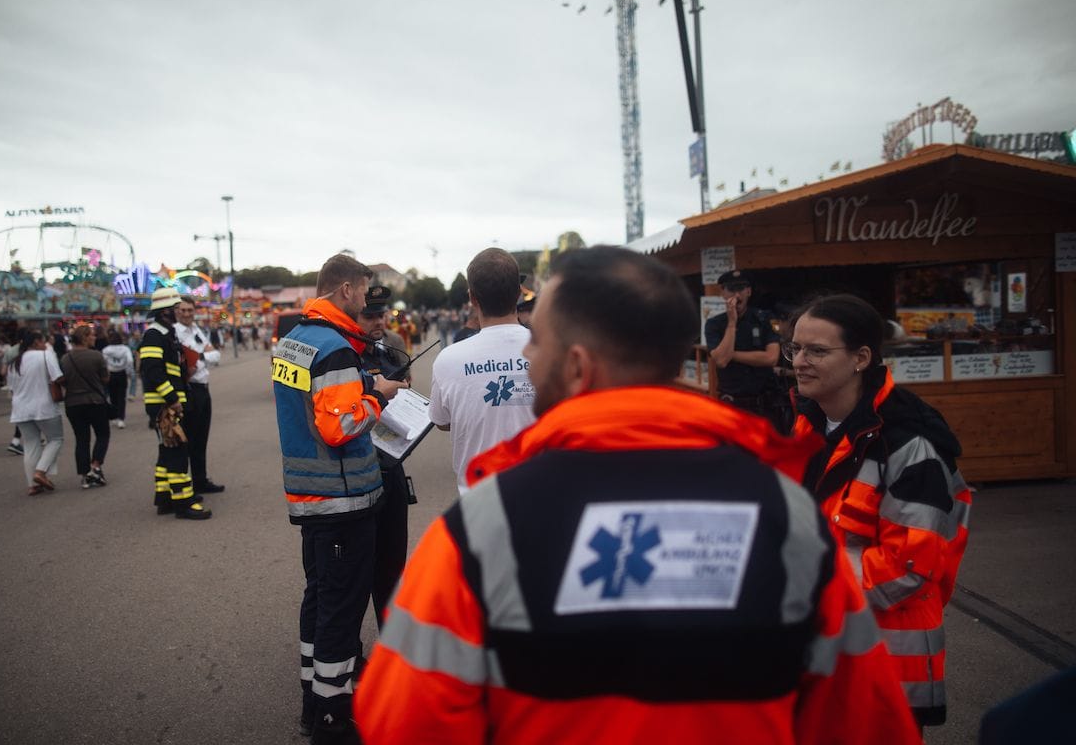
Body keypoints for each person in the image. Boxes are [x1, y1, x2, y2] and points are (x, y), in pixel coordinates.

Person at [355, 246, 921, 745]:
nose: (527, 357)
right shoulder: (790, 515)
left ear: (576, 366)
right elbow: (864, 722)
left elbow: (403, 723)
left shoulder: (483, 528)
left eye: (539, 345)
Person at [788, 293, 971, 730]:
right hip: (824, 652)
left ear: (861, 358)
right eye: (795, 348)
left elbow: (906, 567)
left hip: (887, 663)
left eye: (817, 350)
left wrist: (795, 585)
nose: (799, 362)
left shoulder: (910, 444)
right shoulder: (807, 425)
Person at [271, 254, 406, 744]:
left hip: (311, 498)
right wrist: (377, 398)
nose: (366, 302)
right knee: (341, 612)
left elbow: (318, 398)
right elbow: (340, 423)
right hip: (343, 500)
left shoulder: (295, 342)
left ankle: (312, 696)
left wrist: (365, 383)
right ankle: (332, 718)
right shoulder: (334, 348)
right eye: (363, 292)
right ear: (346, 289)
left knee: (319, 600)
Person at [429, 248, 535, 495]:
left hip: (478, 502)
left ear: (472, 298)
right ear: (518, 294)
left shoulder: (448, 359)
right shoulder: (552, 350)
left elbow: (442, 421)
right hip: (541, 494)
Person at [357, 285, 412, 627]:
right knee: (359, 568)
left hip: (392, 464)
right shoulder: (344, 353)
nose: (379, 321)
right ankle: (348, 651)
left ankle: (391, 645)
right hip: (360, 467)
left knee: (393, 563)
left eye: (382, 314)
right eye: (371, 315)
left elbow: (409, 389)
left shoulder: (392, 346)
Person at [141, 287, 211, 520]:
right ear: (164, 312)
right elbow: (152, 371)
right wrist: (172, 399)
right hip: (164, 405)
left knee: (167, 451)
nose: (177, 312)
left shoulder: (164, 333)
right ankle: (183, 502)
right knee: (178, 452)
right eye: (173, 308)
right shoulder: (154, 335)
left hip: (167, 403)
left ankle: (165, 499)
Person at [705, 269, 783, 428]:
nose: (736, 295)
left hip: (764, 405)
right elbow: (720, 361)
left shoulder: (764, 318)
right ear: (723, 293)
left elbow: (771, 358)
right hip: (731, 404)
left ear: (748, 291)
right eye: (731, 290)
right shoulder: (714, 324)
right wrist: (732, 323)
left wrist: (730, 354)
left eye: (740, 289)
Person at [174, 298, 225, 495]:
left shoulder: (196, 330)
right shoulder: (176, 332)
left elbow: (215, 356)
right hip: (189, 389)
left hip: (203, 388)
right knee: (190, 439)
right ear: (177, 311)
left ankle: (200, 480)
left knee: (202, 437)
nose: (187, 313)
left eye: (190, 310)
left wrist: (200, 357)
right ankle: (189, 485)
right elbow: (186, 364)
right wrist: (203, 356)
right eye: (183, 310)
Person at [7, 328, 65, 496]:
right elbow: (57, 377)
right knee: (55, 439)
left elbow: (11, 388)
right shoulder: (46, 355)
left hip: (20, 408)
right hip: (44, 405)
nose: (45, 344)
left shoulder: (14, 361)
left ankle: (32, 484)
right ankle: (40, 472)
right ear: (36, 342)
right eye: (42, 341)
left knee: (31, 444)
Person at [60, 324, 111, 489]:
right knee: (102, 434)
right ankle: (96, 466)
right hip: (95, 401)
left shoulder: (65, 358)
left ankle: (84, 474)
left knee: (81, 439)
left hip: (73, 404)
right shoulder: (96, 356)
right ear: (85, 337)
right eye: (92, 335)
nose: (94, 337)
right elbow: (105, 378)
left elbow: (63, 380)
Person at [101, 329, 133, 428]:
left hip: (111, 374)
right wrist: (128, 371)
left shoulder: (106, 350)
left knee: (112, 396)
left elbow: (103, 362)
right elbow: (130, 360)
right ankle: (121, 418)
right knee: (121, 397)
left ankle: (114, 416)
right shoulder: (125, 349)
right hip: (122, 373)